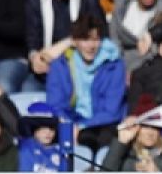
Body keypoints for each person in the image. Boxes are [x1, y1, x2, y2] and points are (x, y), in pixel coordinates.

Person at [46, 14, 127, 155]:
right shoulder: (61, 64)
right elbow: (55, 103)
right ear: (75, 41)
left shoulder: (114, 65)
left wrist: (83, 127)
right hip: (70, 120)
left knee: (95, 141)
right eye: (85, 39)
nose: (91, 46)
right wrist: (69, 126)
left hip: (103, 123)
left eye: (95, 40)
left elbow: (111, 110)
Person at [25, 0, 104, 85]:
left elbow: (95, 33)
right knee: (27, 91)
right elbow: (32, 38)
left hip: (81, 68)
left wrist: (63, 45)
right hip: (47, 69)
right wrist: (34, 57)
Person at [101, 94, 162, 173]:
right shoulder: (124, 154)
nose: (150, 133)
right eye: (145, 126)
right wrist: (121, 142)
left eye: (155, 128)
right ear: (136, 129)